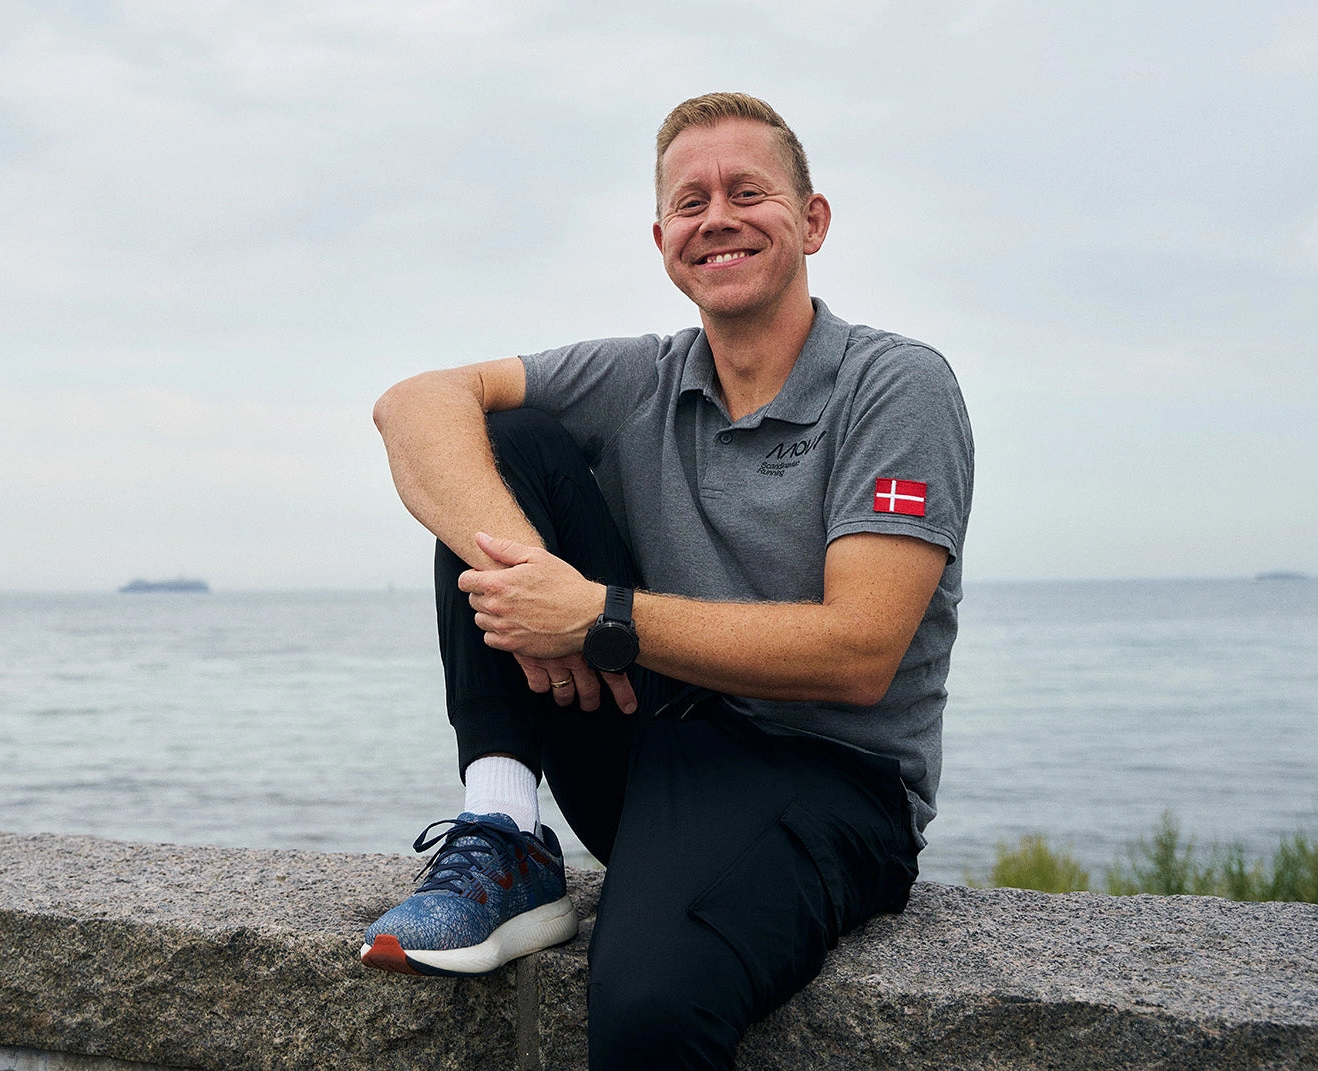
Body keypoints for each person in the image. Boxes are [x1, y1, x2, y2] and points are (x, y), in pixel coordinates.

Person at [365, 91, 973, 1070]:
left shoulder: (894, 385)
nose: (718, 217)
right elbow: (415, 405)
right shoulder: (644, 376)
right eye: (690, 202)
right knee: (501, 444)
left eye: (749, 191)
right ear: (662, 240)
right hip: (653, 742)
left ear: (812, 221)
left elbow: (861, 651)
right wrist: (539, 582)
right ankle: (507, 832)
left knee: (649, 1008)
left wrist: (597, 616)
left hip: (830, 782)